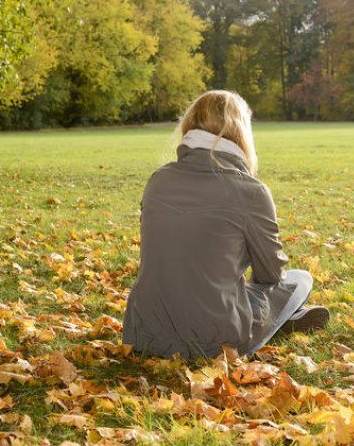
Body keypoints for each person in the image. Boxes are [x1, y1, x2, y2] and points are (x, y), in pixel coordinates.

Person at [122, 90, 329, 359]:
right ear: (241, 131)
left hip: (145, 332)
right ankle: (278, 323)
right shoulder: (250, 190)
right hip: (215, 340)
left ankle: (275, 322)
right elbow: (270, 274)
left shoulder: (158, 180)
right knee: (300, 279)